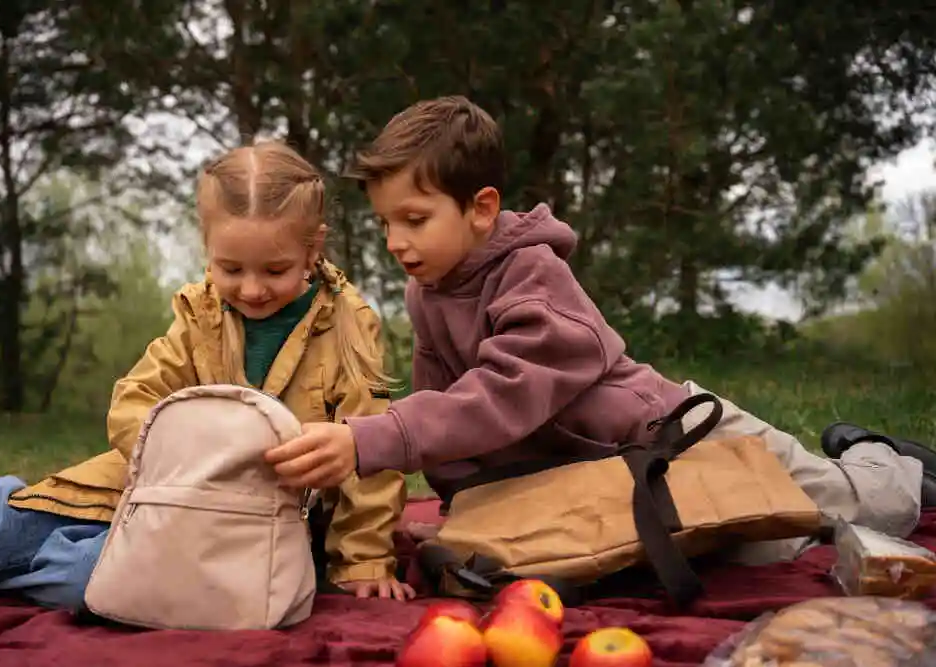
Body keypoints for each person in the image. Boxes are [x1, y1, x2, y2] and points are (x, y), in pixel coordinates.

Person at [265, 95, 931, 563]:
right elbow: (446, 420)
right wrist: (469, 510)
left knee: (854, 510)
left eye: (414, 218)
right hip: (607, 477)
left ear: (481, 208)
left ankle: (884, 456)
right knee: (759, 549)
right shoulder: (426, 291)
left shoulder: (532, 274)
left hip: (677, 438)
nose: (395, 241)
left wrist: (373, 439)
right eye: (384, 223)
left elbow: (503, 394)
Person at [0, 140, 414, 613]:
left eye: (275, 270)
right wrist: (191, 458)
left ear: (313, 250)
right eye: (230, 268)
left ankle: (16, 571)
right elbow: (133, 402)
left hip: (254, 528)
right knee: (2, 525)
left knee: (90, 577)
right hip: (144, 490)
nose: (251, 288)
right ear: (208, 248)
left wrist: (364, 559)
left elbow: (369, 452)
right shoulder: (198, 314)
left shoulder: (350, 325)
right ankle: (19, 551)